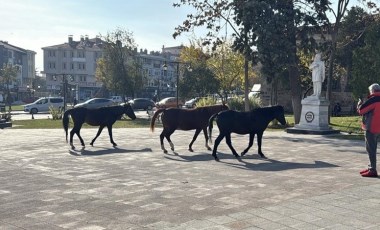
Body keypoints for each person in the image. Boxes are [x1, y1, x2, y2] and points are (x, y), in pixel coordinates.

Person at [357, 83, 380, 177]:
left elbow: (361, 110)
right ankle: (371, 167)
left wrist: (359, 104)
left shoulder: (373, 99)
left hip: (372, 127)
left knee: (371, 149)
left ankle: (372, 169)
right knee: (373, 148)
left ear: (372, 91)